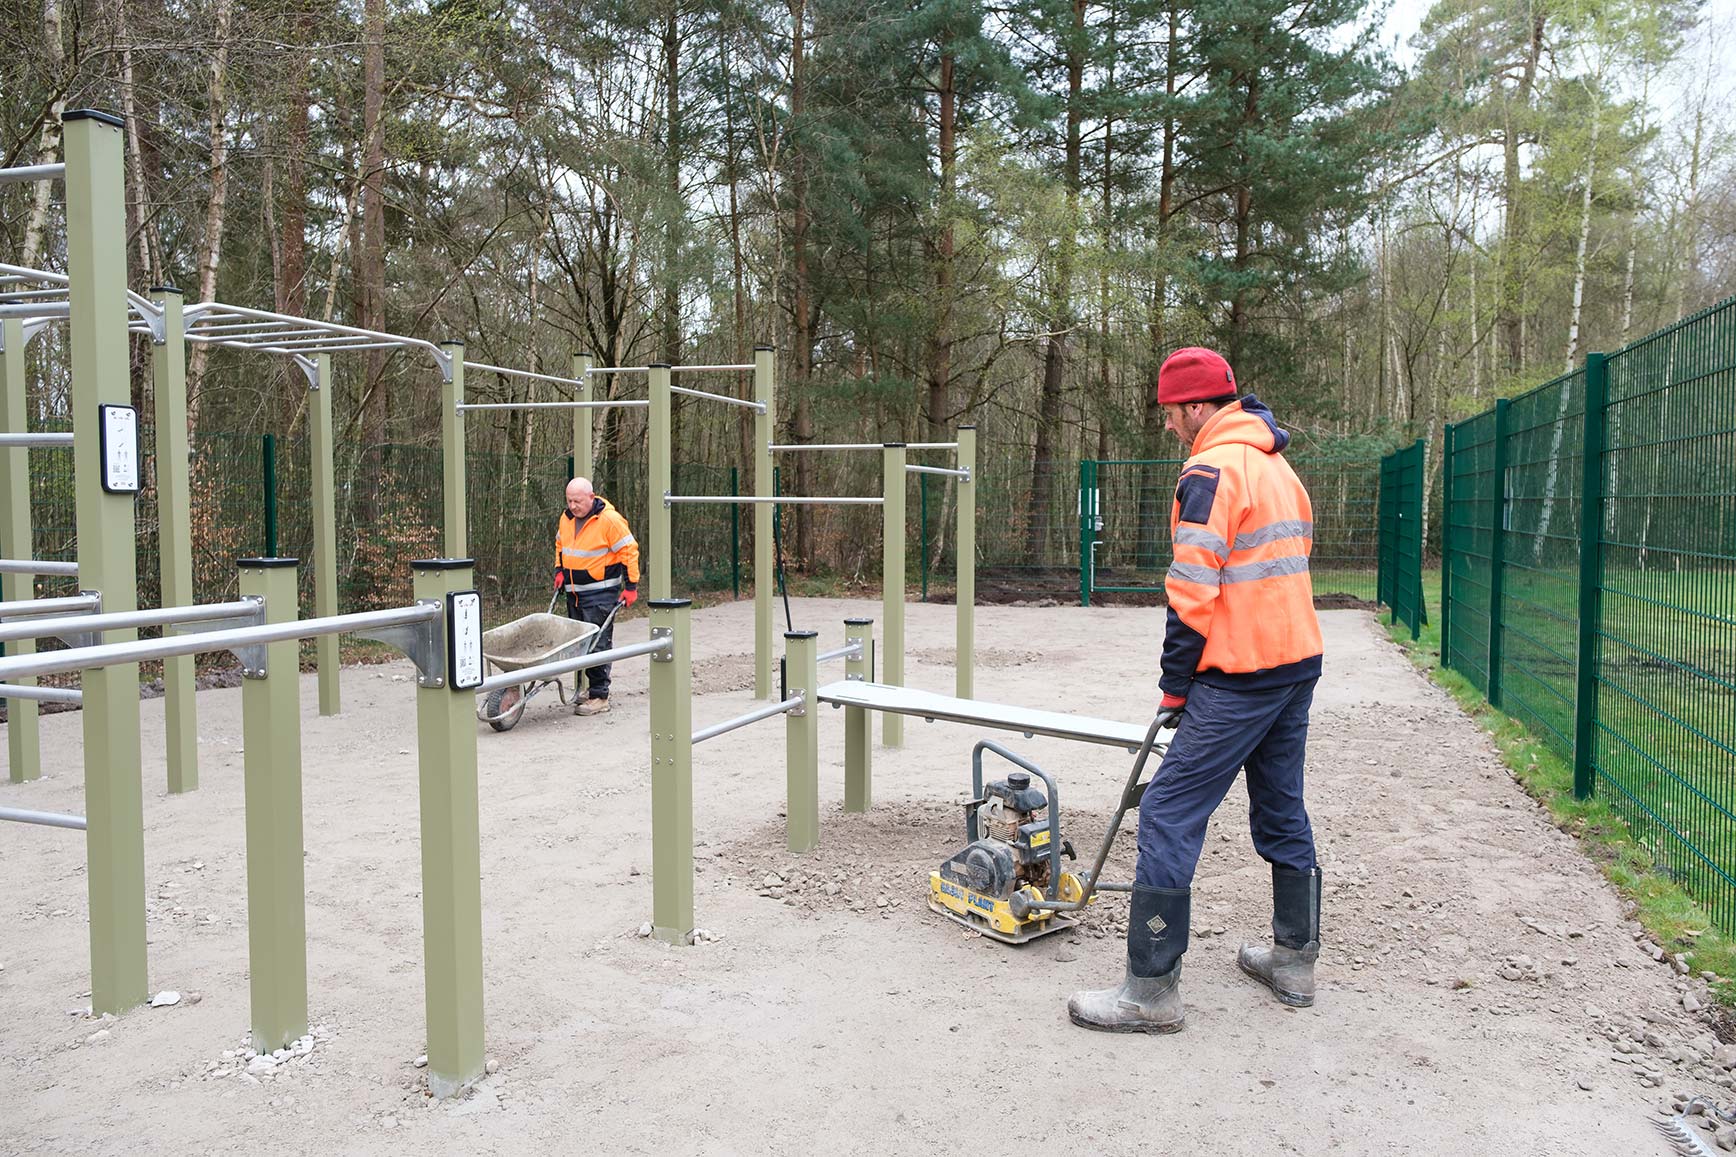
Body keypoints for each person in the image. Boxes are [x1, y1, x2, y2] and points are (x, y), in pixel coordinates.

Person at [1068, 347, 1325, 1034]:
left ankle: (1149, 992)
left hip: (1239, 674)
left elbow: (1190, 592)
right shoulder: (1277, 465)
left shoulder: (1211, 469)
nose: (1168, 427)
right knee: (1281, 806)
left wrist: (1175, 687)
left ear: (1195, 406)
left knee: (1168, 812)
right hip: (1296, 663)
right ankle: (1294, 960)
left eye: (1170, 413)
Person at [554, 477, 639, 716]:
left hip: (600, 594)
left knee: (599, 644)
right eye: (569, 501)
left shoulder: (609, 521)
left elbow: (629, 551)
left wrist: (631, 585)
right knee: (580, 643)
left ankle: (600, 695)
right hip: (574, 593)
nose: (573, 506)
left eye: (577, 501)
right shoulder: (566, 518)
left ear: (591, 497)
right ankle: (591, 689)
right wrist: (559, 570)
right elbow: (560, 545)